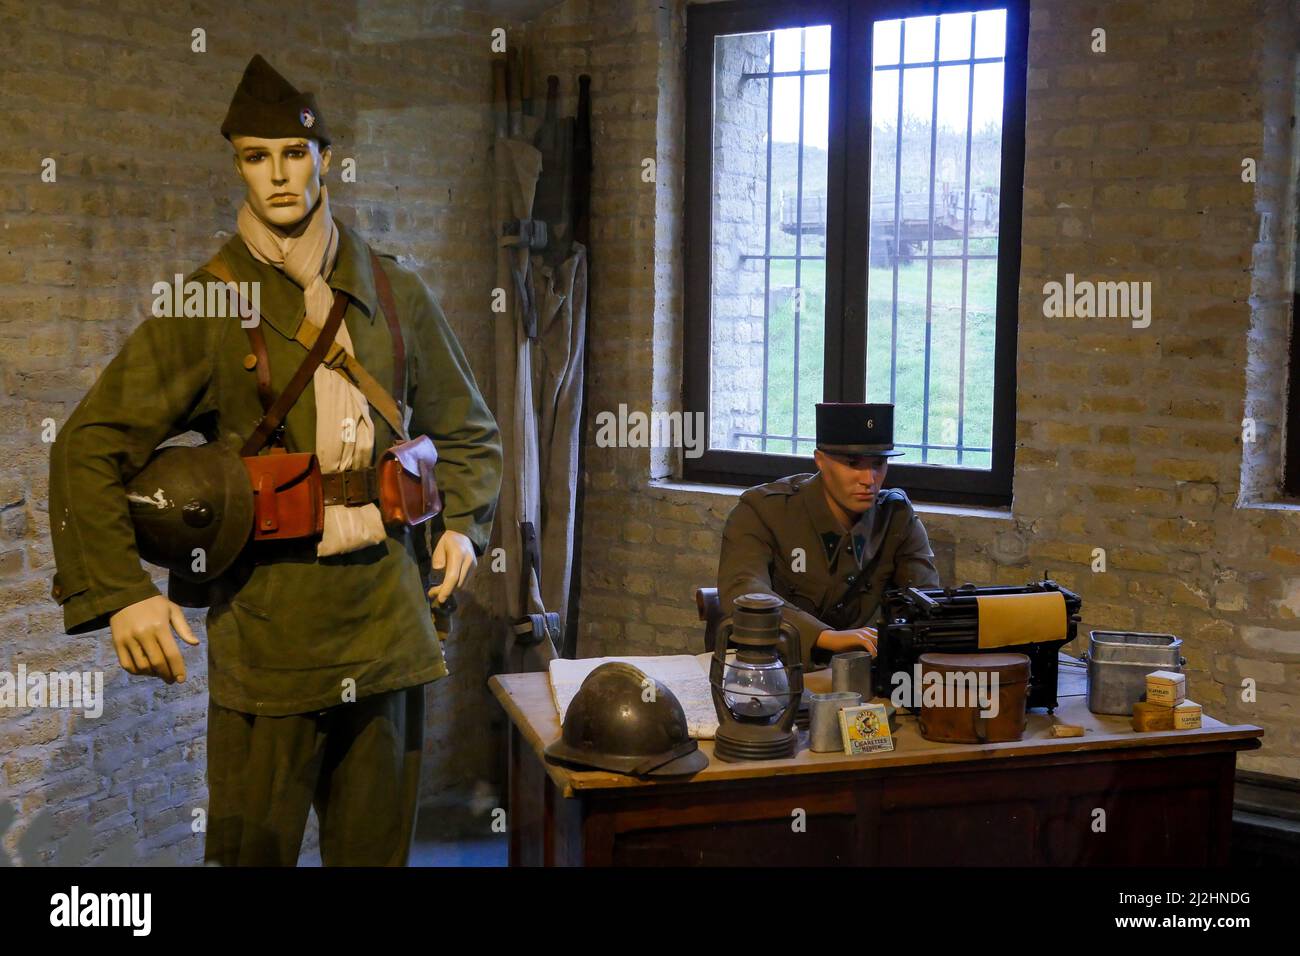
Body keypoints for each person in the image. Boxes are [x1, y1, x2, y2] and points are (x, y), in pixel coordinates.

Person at [47, 54, 503, 865]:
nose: (279, 176)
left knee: (375, 856)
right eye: (256, 157)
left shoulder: (393, 292)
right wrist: (121, 594)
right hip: (271, 630)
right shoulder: (211, 300)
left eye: (294, 154)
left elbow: (469, 430)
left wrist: (461, 524)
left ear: (324, 157)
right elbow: (89, 443)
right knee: (250, 855)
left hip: (389, 625)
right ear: (238, 168)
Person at [717, 402, 940, 675]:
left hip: (866, 670)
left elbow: (924, 598)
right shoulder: (764, 510)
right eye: (852, 464)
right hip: (776, 669)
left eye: (878, 464)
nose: (868, 479)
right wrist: (826, 637)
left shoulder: (896, 515)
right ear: (820, 460)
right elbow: (744, 589)